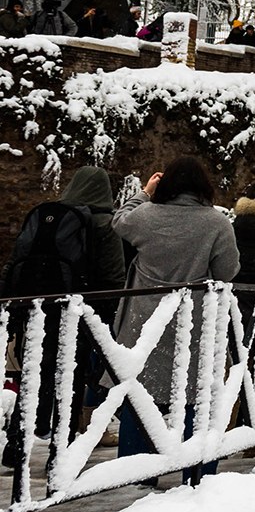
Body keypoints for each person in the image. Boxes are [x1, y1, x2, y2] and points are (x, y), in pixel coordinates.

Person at [111, 157, 239, 474]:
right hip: (193, 322)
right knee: (197, 393)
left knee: (140, 393)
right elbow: (227, 271)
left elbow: (119, 221)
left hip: (144, 320)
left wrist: (144, 192)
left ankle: (136, 471)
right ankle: (197, 470)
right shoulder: (217, 223)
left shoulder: (145, 215)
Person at [2, 166, 128, 466]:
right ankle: (61, 451)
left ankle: (16, 447)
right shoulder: (103, 224)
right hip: (76, 314)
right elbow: (113, 276)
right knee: (69, 381)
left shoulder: (48, 217)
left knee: (34, 375)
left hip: (35, 310)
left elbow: (15, 261)